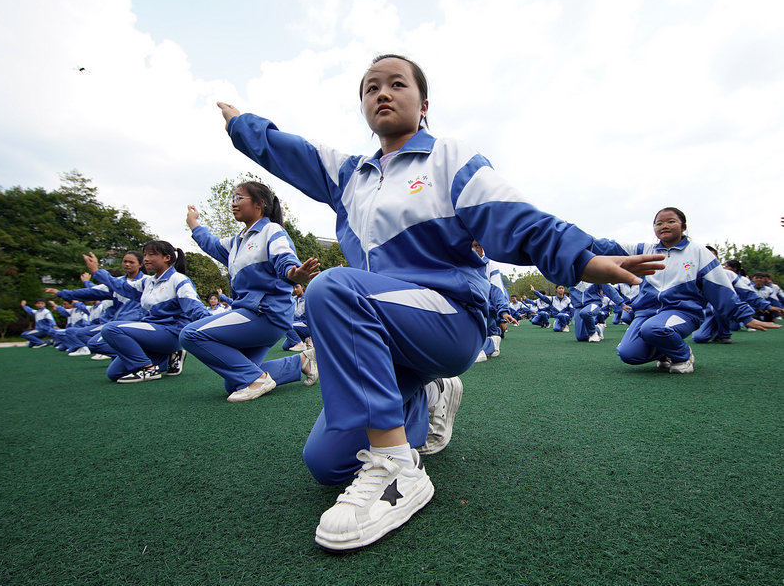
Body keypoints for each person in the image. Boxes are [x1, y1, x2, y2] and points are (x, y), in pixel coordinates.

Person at [217, 53, 663, 550]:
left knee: (333, 287)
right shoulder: (349, 176)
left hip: (449, 317)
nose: (382, 93)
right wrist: (243, 127)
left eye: (396, 84)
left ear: (423, 103)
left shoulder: (447, 158)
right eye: (370, 88)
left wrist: (582, 258)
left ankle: (398, 472)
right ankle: (428, 397)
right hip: (384, 330)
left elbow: (514, 215)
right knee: (325, 464)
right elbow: (287, 150)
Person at [180, 183, 321, 402]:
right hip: (256, 315)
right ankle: (301, 361)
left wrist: (294, 273)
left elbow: (284, 258)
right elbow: (209, 243)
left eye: (239, 198)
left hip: (264, 314)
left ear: (259, 204)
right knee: (234, 381)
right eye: (233, 198)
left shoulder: (271, 230)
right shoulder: (236, 243)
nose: (233, 204)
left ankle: (258, 379)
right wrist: (194, 223)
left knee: (190, 334)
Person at [605, 207, 779, 372]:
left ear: (684, 226)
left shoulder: (698, 252)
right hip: (647, 312)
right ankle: (666, 352)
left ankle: (683, 356)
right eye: (658, 223)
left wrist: (745, 316)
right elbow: (609, 247)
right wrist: (579, 239)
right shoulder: (644, 250)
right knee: (628, 354)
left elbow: (720, 288)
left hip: (682, 311)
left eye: (671, 221)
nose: (664, 226)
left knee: (653, 329)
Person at [83, 241, 209, 383]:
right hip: (153, 332)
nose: (146, 258)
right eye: (145, 254)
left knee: (111, 329)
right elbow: (121, 286)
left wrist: (213, 328)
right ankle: (167, 358)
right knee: (114, 373)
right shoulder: (147, 282)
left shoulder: (178, 280)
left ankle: (147, 368)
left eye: (152, 254)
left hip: (171, 333)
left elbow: (194, 307)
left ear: (167, 258)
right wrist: (97, 272)